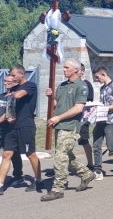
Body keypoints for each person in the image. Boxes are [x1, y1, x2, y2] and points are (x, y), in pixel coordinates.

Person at [0, 65, 43, 195]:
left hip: (25, 126)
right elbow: (9, 111)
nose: (12, 78)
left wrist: (11, 93)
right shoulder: (13, 89)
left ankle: (38, 180)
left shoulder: (30, 86)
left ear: (22, 74)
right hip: (12, 128)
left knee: (30, 154)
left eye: (14, 75)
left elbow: (19, 95)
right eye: (11, 75)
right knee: (6, 154)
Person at [41, 58, 96, 201]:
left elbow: (78, 108)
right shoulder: (62, 86)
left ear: (76, 70)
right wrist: (50, 96)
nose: (64, 70)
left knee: (60, 156)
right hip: (59, 126)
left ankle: (58, 189)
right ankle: (86, 174)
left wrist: (58, 118)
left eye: (66, 68)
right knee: (67, 156)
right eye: (64, 67)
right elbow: (56, 104)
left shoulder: (81, 86)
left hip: (70, 127)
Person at [76, 64, 95, 171]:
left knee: (84, 141)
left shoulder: (86, 84)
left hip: (83, 118)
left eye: (78, 70)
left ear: (82, 71)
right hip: (72, 118)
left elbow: (89, 101)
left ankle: (90, 164)